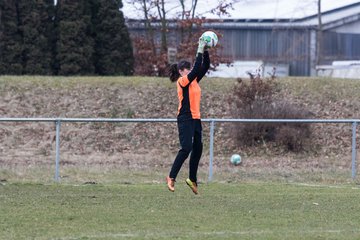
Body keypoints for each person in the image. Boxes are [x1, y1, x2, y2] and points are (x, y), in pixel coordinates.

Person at [166, 37, 210, 194]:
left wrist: (205, 51)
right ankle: (171, 177)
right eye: (188, 69)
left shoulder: (194, 80)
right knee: (186, 148)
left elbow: (204, 66)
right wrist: (199, 47)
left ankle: (192, 179)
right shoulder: (182, 81)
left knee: (198, 148)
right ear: (180, 71)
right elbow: (198, 66)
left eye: (190, 69)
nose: (191, 71)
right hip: (185, 118)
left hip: (196, 118)